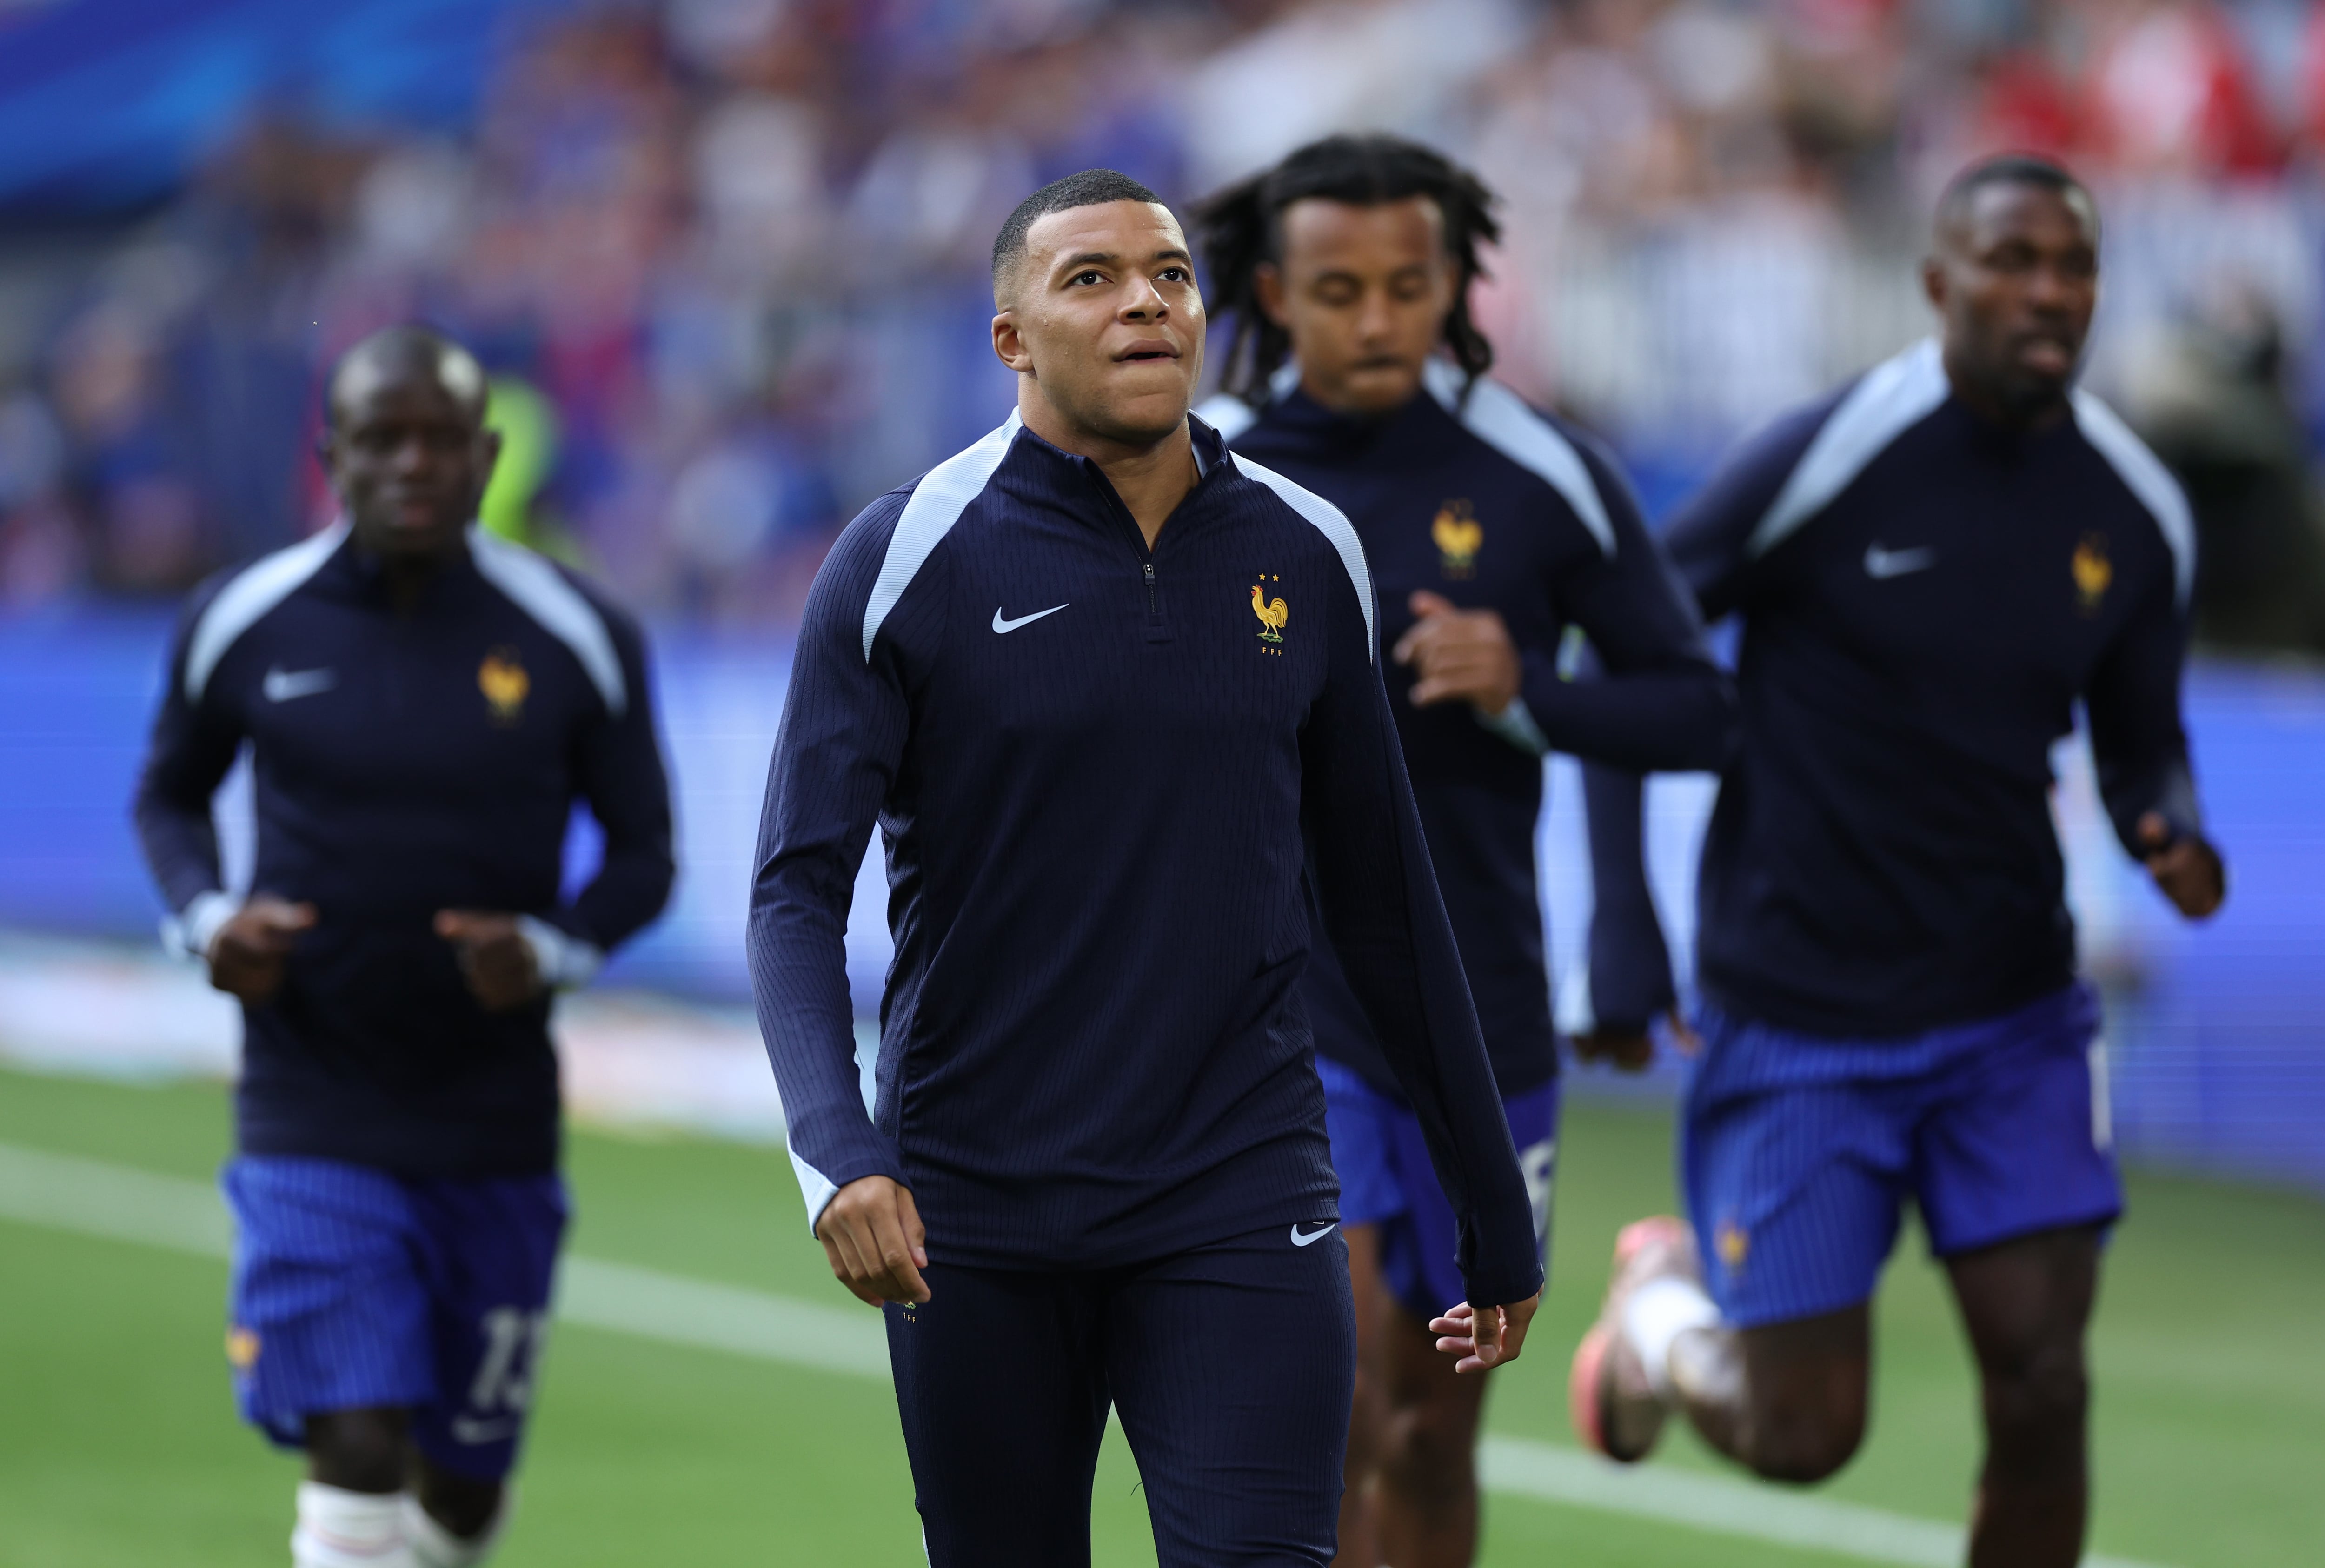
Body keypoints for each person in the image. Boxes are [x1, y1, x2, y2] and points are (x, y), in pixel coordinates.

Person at [747, 168, 1543, 1568]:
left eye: (1170, 276)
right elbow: (794, 888)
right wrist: (837, 1149)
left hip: (1239, 1189)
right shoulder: (906, 554)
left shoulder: (1307, 552)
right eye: (1093, 278)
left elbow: (1386, 902)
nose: (1145, 304)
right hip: (974, 1204)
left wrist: (1487, 1196)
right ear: (1011, 340)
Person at [1568, 156, 2227, 1568]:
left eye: (2073, 265)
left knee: (2045, 1387)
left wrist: (2164, 820)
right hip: (1804, 1012)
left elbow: (2140, 738)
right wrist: (1620, 925)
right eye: (2012, 261)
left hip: (2014, 1014)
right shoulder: (1831, 454)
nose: (2046, 291)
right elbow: (1623, 647)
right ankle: (1664, 1317)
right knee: (1803, 1435)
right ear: (1939, 284)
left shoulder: (2133, 510)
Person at [1190, 133, 1734, 1568]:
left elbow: (1703, 707)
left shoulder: (1541, 472)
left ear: (1457, 285)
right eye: (1341, 287)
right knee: (1341, 1394)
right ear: (1274, 291)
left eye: (1411, 285)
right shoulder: (1193, 468)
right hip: (1263, 1003)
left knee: (1433, 1424)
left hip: (1470, 1006)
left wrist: (1526, 687)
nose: (1379, 320)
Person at [133, 326, 674, 1568]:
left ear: (488, 456)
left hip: (494, 1115)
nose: (414, 465)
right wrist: (210, 922)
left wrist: (551, 949)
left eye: (442, 440)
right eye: (383, 440)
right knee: (358, 1444)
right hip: (309, 1099)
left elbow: (647, 856)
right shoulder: (246, 617)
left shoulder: (576, 630)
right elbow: (167, 797)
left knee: (460, 1489)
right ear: (333, 454)